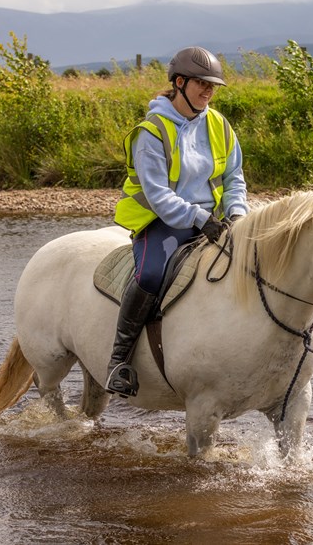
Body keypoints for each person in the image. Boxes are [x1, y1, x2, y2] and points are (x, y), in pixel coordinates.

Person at [105, 46, 249, 397]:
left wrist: (237, 213)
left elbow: (234, 176)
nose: (209, 91)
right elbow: (159, 196)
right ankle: (118, 362)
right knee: (150, 274)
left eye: (212, 85)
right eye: (201, 83)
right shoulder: (150, 132)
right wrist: (199, 218)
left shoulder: (219, 125)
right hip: (162, 222)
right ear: (180, 82)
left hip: (214, 220)